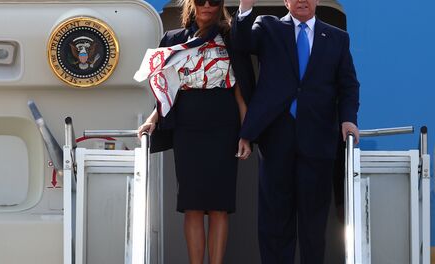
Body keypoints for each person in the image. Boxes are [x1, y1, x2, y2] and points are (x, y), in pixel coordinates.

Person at [231, 0, 360, 263]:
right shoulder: (268, 27)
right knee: (275, 222)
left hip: (318, 141)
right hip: (277, 139)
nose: (302, 0)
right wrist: (245, 6)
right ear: (286, 1)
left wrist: (348, 119)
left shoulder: (337, 38)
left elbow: (348, 85)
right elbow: (242, 43)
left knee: (313, 225)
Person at [135, 0, 253, 263]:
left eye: (214, 1)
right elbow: (167, 88)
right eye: (201, 1)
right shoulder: (173, 39)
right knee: (193, 205)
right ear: (192, 4)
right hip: (188, 127)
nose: (208, 6)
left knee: (220, 206)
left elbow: (240, 90)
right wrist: (153, 118)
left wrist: (247, 133)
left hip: (224, 124)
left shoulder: (231, 37)